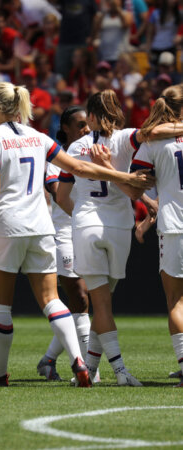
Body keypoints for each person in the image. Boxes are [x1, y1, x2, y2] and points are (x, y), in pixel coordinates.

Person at [0, 81, 154, 388]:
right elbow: (80, 168)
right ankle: (79, 361)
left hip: (7, 226)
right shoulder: (39, 137)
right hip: (42, 226)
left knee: (1, 304)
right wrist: (122, 175)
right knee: (52, 299)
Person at [56, 89, 182, 386]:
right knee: (104, 303)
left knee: (101, 307)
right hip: (120, 226)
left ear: (91, 116)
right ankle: (88, 369)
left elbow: (62, 197)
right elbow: (154, 132)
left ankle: (120, 371)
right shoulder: (128, 137)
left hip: (88, 226)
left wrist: (82, 216)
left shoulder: (76, 147)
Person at [130, 85, 183, 387]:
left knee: (176, 301)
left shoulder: (150, 141)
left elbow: (136, 183)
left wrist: (152, 207)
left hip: (174, 225)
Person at [37, 106, 94, 382]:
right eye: (80, 125)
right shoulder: (55, 159)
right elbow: (59, 194)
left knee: (86, 301)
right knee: (80, 297)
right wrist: (88, 216)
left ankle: (48, 359)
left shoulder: (94, 154)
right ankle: (88, 371)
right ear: (66, 130)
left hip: (88, 232)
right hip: (62, 233)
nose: (86, 130)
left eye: (88, 125)